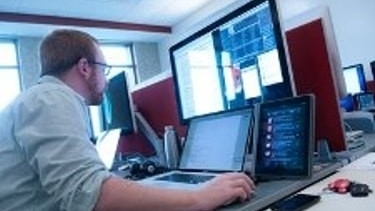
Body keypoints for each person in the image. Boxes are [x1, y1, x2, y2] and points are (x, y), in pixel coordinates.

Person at [0, 29, 255, 211]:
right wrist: (199, 198)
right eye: (104, 68)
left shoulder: (39, 99)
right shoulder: (52, 98)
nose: (107, 80)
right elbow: (90, 195)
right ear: (85, 67)